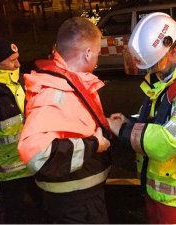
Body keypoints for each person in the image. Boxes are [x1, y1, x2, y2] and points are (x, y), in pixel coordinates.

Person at [107, 12, 176, 225]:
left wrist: (124, 130)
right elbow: (154, 119)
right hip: (159, 188)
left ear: (174, 51)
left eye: (154, 64)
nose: (151, 72)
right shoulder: (168, 79)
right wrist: (128, 121)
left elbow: (174, 140)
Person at [18, 17, 111, 225]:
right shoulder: (56, 92)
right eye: (97, 53)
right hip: (76, 206)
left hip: (79, 198)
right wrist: (94, 144)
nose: (97, 58)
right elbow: (36, 156)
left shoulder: (69, 82)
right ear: (88, 54)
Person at [0, 38, 48, 225]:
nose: (18, 64)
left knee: (47, 209)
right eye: (13, 60)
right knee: (12, 215)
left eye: (18, 58)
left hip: (32, 162)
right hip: (8, 174)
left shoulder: (17, 82)